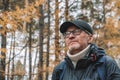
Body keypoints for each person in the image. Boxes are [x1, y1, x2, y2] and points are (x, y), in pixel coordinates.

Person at [52, 19, 120, 80]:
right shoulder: (59, 69)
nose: (70, 36)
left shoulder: (105, 64)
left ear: (90, 38)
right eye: (67, 34)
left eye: (76, 31)